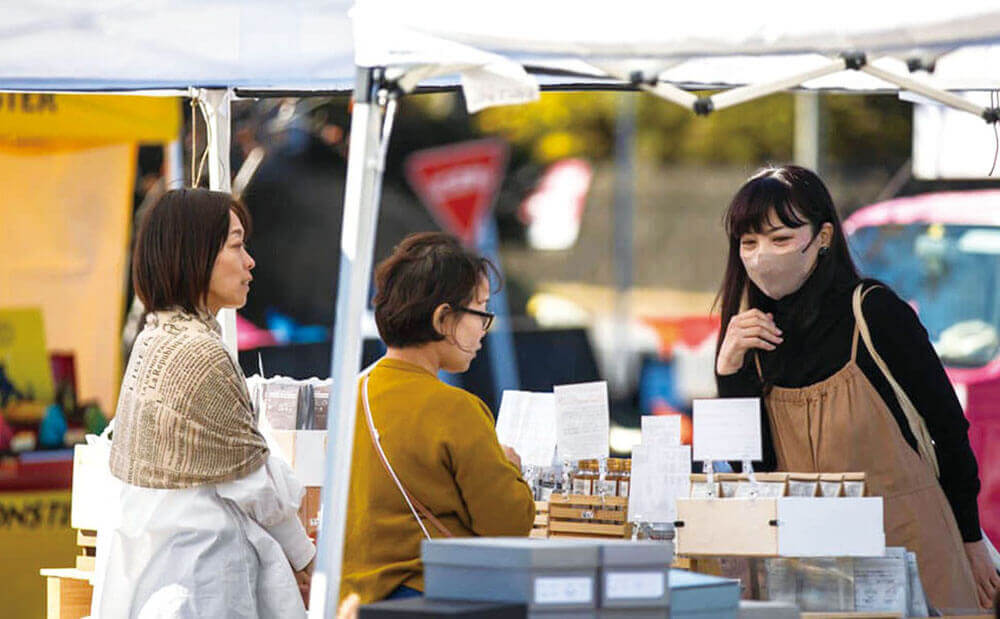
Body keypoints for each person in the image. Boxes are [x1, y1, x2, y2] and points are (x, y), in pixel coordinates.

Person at [715, 165, 999, 611]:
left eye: (780, 239)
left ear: (823, 237)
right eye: (748, 243)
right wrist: (729, 371)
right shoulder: (754, 336)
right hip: (812, 568)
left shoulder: (874, 313)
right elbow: (750, 470)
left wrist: (970, 538)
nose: (760, 256)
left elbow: (948, 429)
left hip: (910, 549)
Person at [91, 188, 316, 618]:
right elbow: (251, 478)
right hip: (199, 579)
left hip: (160, 576)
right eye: (236, 245)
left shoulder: (155, 337)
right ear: (195, 253)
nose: (249, 261)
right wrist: (306, 557)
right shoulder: (198, 352)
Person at [341, 232, 535, 604]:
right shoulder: (456, 410)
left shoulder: (350, 394)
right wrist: (510, 466)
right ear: (444, 319)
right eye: (479, 311)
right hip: (426, 598)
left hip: (349, 602)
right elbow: (509, 524)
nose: (483, 329)